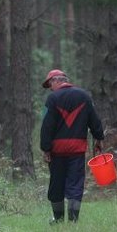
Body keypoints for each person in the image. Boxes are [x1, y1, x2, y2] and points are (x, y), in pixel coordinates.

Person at [40, 69, 104, 223]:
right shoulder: (84, 96)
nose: (50, 88)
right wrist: (99, 137)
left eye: (50, 84)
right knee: (75, 184)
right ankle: (73, 220)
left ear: (56, 81)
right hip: (77, 149)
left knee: (56, 184)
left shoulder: (52, 99)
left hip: (57, 150)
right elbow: (94, 120)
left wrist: (46, 148)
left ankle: (58, 219)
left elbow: (46, 126)